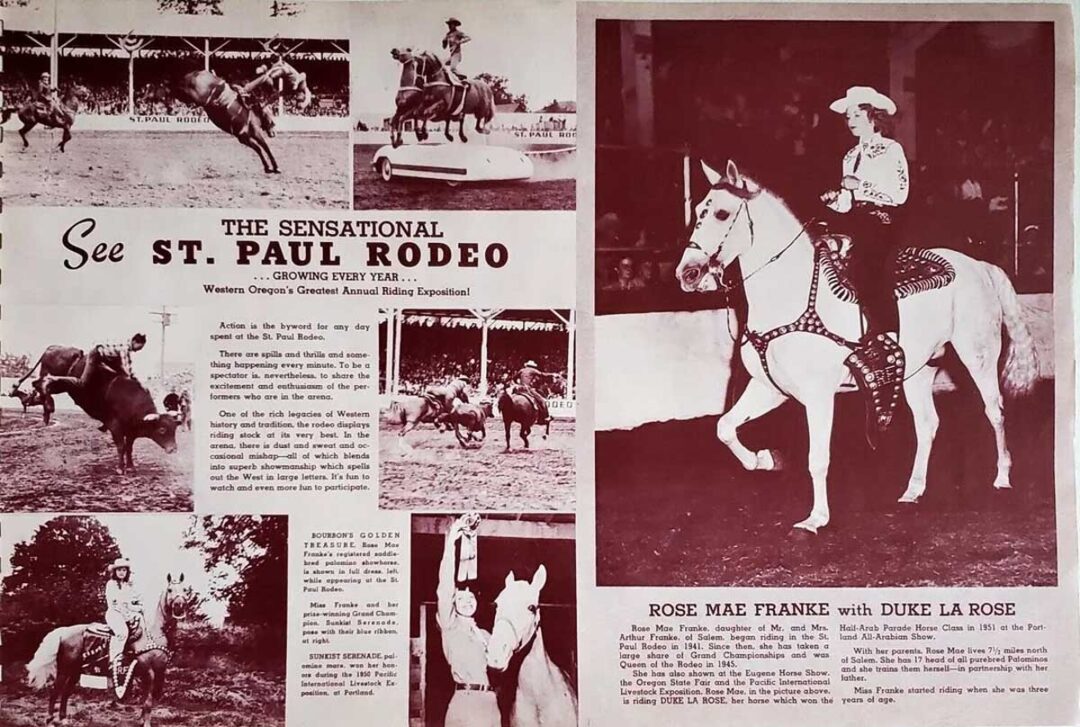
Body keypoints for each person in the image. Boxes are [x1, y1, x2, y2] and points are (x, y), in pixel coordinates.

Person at [820, 85, 909, 368]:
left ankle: (888, 336)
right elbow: (848, 202)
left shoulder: (891, 149)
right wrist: (835, 200)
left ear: (873, 116)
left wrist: (862, 185)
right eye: (848, 117)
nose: (850, 121)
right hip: (856, 220)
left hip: (884, 219)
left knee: (868, 265)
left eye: (856, 115)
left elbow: (899, 193)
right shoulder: (849, 156)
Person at [436, 513, 499, 727]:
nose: (467, 602)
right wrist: (451, 543)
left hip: (490, 703)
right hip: (465, 702)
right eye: (460, 599)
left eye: (470, 598)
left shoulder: (485, 635)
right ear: (453, 604)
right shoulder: (450, 626)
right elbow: (445, 589)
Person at [104, 558, 143, 698]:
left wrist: (139, 609)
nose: (122, 572)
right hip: (114, 614)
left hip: (126, 614)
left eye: (124, 570)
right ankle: (113, 661)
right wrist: (128, 614)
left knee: (140, 627)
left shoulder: (128, 586)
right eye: (119, 570)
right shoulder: (111, 584)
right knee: (122, 633)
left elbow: (132, 603)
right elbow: (114, 604)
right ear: (115, 571)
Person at [246, 57, 312, 111]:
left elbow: (277, 95)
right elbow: (303, 74)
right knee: (267, 75)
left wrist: (265, 104)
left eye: (297, 99)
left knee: (267, 79)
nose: (297, 97)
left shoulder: (290, 91)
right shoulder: (303, 87)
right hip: (284, 69)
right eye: (299, 98)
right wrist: (296, 83)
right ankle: (247, 88)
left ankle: (251, 91)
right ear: (304, 95)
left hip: (279, 70)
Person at [516, 359, 556, 424]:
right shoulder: (533, 370)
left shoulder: (521, 370)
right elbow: (542, 374)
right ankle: (546, 417)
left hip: (519, 388)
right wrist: (552, 374)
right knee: (542, 401)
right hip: (528, 389)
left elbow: (514, 378)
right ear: (532, 366)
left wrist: (518, 384)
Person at [442, 17, 471, 88]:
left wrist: (460, 42)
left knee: (452, 68)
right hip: (451, 56)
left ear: (454, 25)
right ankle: (446, 79)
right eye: (448, 25)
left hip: (457, 54)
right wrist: (444, 41)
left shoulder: (458, 33)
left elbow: (468, 38)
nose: (449, 26)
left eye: (450, 24)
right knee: (441, 64)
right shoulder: (448, 34)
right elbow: (444, 47)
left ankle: (464, 78)